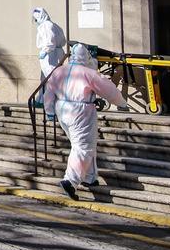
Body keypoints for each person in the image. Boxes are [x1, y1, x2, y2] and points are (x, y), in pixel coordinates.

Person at [43, 44, 127, 200]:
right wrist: (121, 103)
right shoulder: (88, 74)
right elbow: (109, 90)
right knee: (83, 146)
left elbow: (48, 93)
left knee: (86, 144)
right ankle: (70, 180)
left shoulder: (59, 71)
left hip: (62, 109)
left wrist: (49, 112)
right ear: (86, 57)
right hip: (81, 111)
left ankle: (90, 177)